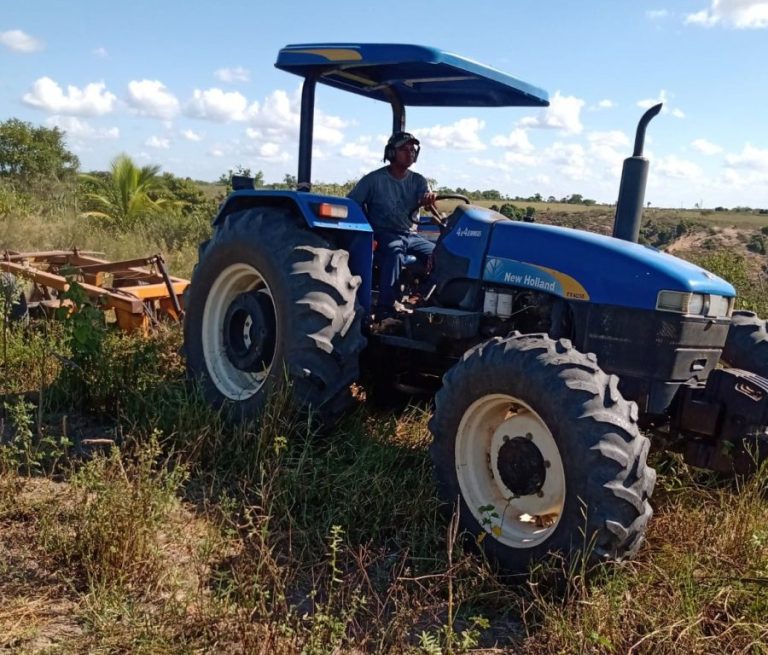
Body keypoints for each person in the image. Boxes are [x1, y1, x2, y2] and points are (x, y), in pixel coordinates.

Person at [347, 131, 436, 321]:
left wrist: (428, 201)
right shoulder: (374, 180)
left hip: (409, 234)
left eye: (413, 150)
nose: (410, 153)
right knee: (394, 252)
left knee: (440, 254)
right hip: (383, 232)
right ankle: (385, 308)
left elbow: (426, 200)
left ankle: (421, 298)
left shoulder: (418, 180)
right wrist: (366, 231)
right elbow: (352, 204)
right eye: (404, 149)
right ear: (391, 153)